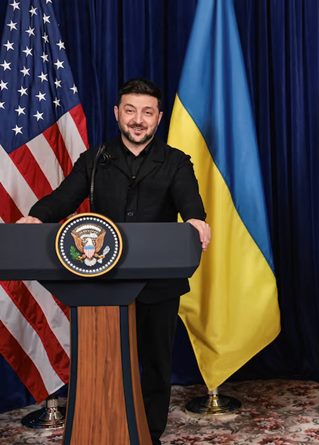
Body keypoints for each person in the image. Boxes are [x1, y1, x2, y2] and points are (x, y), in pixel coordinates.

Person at [17, 78, 211, 445]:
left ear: (158, 118)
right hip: (102, 283)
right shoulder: (94, 160)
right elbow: (63, 198)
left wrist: (196, 220)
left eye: (147, 112)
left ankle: (149, 434)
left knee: (155, 363)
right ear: (117, 113)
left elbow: (190, 204)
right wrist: (36, 217)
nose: (138, 119)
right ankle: (105, 427)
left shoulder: (175, 162)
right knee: (106, 362)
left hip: (159, 285)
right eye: (131, 110)